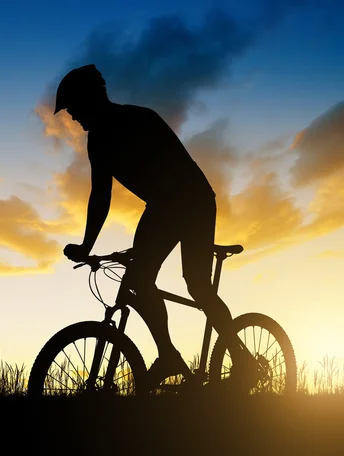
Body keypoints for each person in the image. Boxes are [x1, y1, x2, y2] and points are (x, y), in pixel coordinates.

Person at [54, 64, 258, 389]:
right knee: (138, 280)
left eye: (74, 108)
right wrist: (86, 247)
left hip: (193, 202)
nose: (73, 117)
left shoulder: (139, 119)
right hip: (163, 208)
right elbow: (101, 197)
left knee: (197, 285)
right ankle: (169, 356)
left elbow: (176, 180)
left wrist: (142, 240)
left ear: (91, 98)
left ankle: (242, 359)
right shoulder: (97, 142)